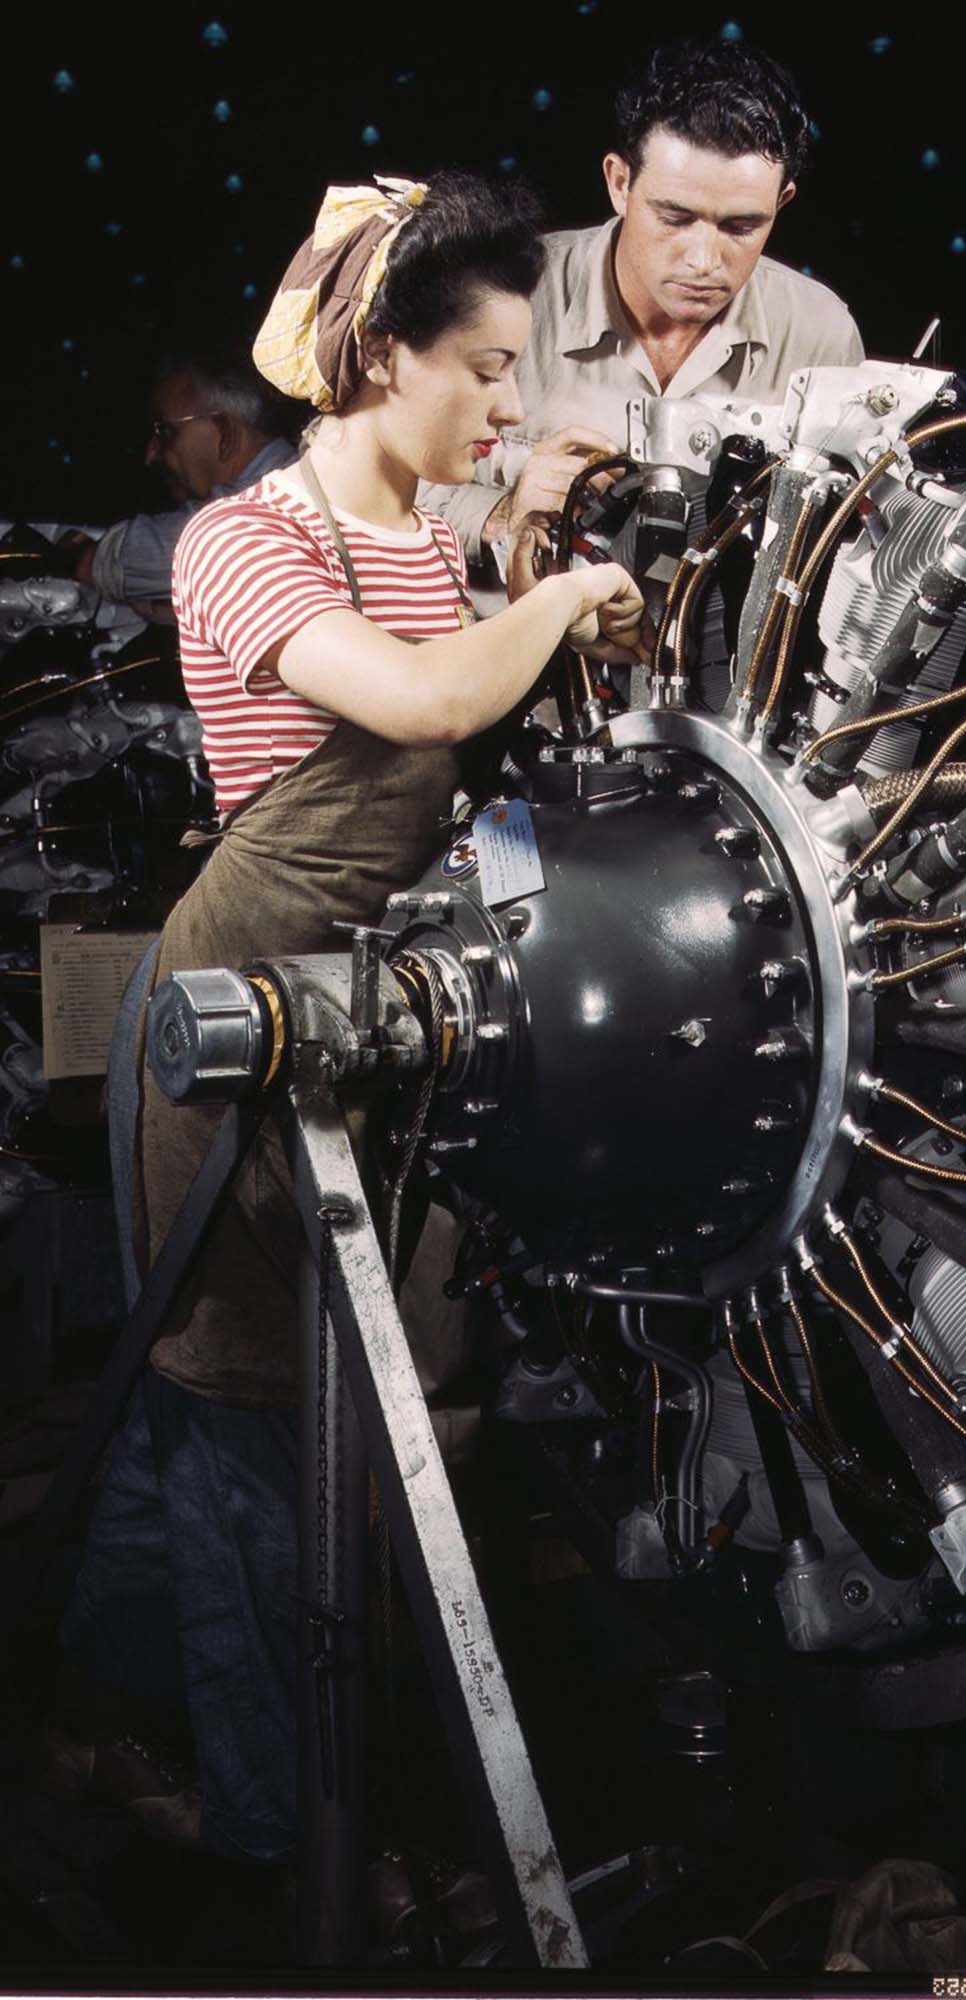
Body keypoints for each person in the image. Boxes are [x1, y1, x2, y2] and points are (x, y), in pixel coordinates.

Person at [58, 168, 646, 1871]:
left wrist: (529, 556)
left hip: (375, 1021)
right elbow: (417, 698)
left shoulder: (428, 540)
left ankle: (97, 1704)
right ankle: (274, 1852)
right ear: (382, 356)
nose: (511, 402)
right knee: (243, 1424)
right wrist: (545, 606)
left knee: (238, 1421)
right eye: (486, 369)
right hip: (239, 1016)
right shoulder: (251, 540)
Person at [421, 36, 863, 592]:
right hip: (516, 665)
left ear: (783, 202)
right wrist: (501, 514)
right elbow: (370, 481)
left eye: (741, 227)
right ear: (619, 183)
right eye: (675, 218)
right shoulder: (504, 296)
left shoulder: (821, 333)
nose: (704, 261)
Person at [69, 350, 302, 622]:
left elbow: (109, 563)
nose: (151, 454)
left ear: (225, 433)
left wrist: (80, 554)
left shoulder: (257, 512)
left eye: (166, 433)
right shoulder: (293, 477)